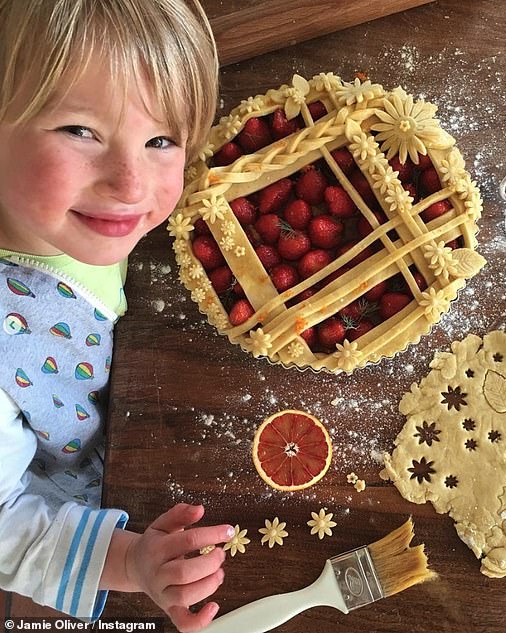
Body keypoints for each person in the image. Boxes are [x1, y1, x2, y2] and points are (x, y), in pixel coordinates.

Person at [0, 1, 233, 630]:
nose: (131, 184)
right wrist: (131, 563)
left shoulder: (64, 211)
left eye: (161, 140)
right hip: (65, 507)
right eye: (80, 131)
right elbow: (5, 528)